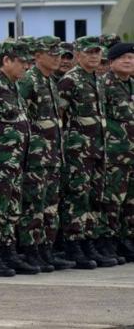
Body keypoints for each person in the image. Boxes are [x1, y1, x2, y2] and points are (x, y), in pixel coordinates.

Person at [0, 40, 38, 277]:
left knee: (12, 207)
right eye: (21, 62)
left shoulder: (14, 85)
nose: (26, 66)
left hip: (14, 160)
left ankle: (7, 251)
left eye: (27, 62)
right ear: (6, 61)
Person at [17, 36, 77, 270]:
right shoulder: (28, 81)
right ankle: (31, 250)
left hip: (52, 153)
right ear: (37, 55)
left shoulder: (50, 80)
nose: (56, 58)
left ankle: (46, 249)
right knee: (33, 204)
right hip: (35, 155)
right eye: (51, 53)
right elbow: (21, 117)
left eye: (58, 54)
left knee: (50, 203)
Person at [58, 36, 118, 268]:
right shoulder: (69, 80)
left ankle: (89, 239)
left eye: (97, 52)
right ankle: (74, 243)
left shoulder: (99, 80)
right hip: (78, 150)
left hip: (99, 148)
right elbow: (60, 115)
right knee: (77, 196)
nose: (94, 56)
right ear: (78, 55)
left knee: (95, 196)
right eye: (89, 52)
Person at [100, 42, 134, 262]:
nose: (129, 61)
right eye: (124, 58)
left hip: (131, 154)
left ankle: (127, 239)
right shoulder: (104, 85)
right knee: (112, 200)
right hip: (114, 153)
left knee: (130, 201)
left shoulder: (132, 84)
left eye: (132, 58)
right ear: (111, 62)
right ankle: (107, 242)